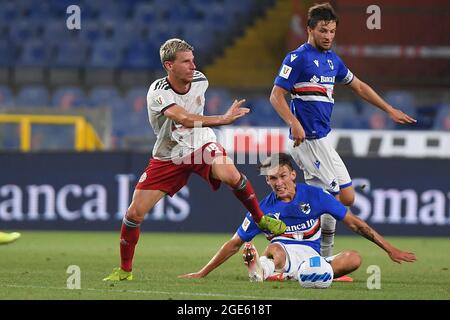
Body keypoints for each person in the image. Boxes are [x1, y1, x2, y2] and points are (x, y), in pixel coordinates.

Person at [103, 39, 286, 281]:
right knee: (134, 214)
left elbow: (193, 123)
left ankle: (261, 219)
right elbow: (184, 119)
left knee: (232, 176)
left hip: (201, 144)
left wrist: (214, 126)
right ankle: (125, 271)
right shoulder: (158, 93)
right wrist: (223, 118)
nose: (193, 65)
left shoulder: (200, 80)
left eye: (193, 59)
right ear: (169, 65)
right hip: (169, 154)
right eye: (186, 61)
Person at [269, 3, 417, 258]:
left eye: (332, 32)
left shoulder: (332, 61)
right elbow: (275, 96)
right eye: (324, 31)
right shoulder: (297, 58)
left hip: (323, 140)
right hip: (308, 141)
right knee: (332, 200)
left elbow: (359, 86)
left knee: (345, 197)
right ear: (310, 29)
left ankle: (306, 242)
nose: (328, 36)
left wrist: (389, 109)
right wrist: (294, 122)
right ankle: (322, 255)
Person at [179, 153, 416, 283]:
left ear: (293, 174)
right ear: (267, 181)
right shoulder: (261, 209)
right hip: (284, 254)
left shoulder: (315, 196)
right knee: (275, 249)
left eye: (282, 176)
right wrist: (203, 272)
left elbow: (355, 224)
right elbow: (234, 244)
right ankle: (267, 269)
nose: (278, 183)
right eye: (272, 179)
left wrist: (389, 249)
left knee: (354, 258)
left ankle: (281, 274)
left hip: (312, 259)